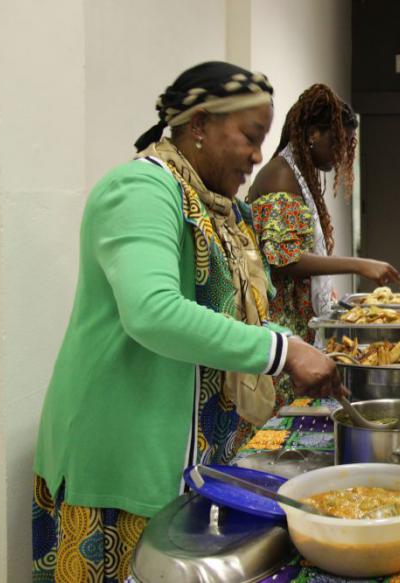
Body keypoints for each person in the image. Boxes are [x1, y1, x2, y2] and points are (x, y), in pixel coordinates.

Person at [32, 62, 346, 582]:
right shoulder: (140, 190)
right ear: (198, 124)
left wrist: (295, 344)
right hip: (125, 454)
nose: (256, 156)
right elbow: (153, 312)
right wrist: (283, 352)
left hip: (197, 450)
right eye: (249, 136)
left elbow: (243, 313)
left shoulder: (226, 211)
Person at [249, 84, 399, 403]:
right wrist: (359, 264)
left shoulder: (297, 173)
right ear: (314, 134)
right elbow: (284, 259)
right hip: (281, 323)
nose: (342, 153)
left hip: (299, 320)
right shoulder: (280, 177)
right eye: (338, 142)